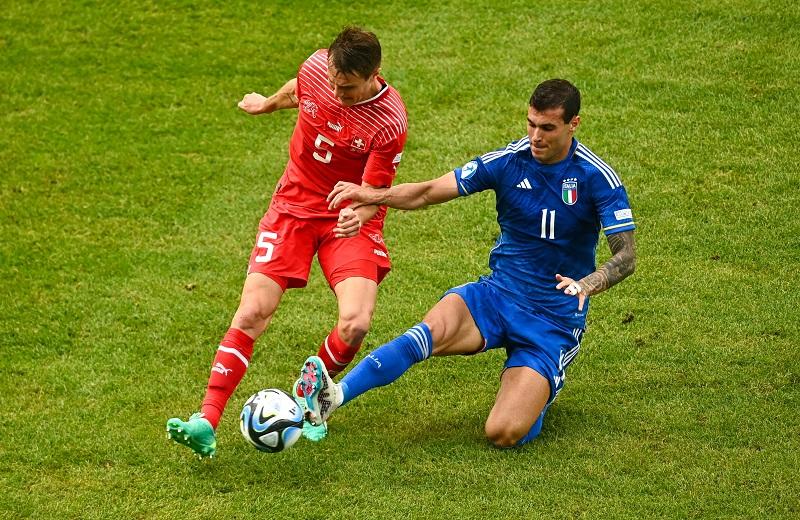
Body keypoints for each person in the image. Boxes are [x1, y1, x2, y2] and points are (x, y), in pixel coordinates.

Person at [299, 79, 636, 447]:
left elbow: (626, 255)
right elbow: (429, 192)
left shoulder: (595, 177)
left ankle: (541, 389)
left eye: (547, 128)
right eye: (531, 124)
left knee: (503, 433)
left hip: (551, 320)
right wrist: (371, 195)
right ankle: (335, 396)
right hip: (496, 295)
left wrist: (588, 283)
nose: (535, 136)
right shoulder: (508, 162)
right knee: (424, 335)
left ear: (574, 124)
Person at [167, 26, 408, 457]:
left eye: (349, 89)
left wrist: (358, 214)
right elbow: (299, 90)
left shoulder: (389, 120)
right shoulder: (317, 68)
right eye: (334, 82)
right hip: (292, 207)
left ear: (375, 73)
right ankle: (206, 419)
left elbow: (375, 193)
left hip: (347, 217)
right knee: (252, 310)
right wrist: (267, 104)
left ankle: (310, 397)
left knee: (356, 322)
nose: (338, 92)